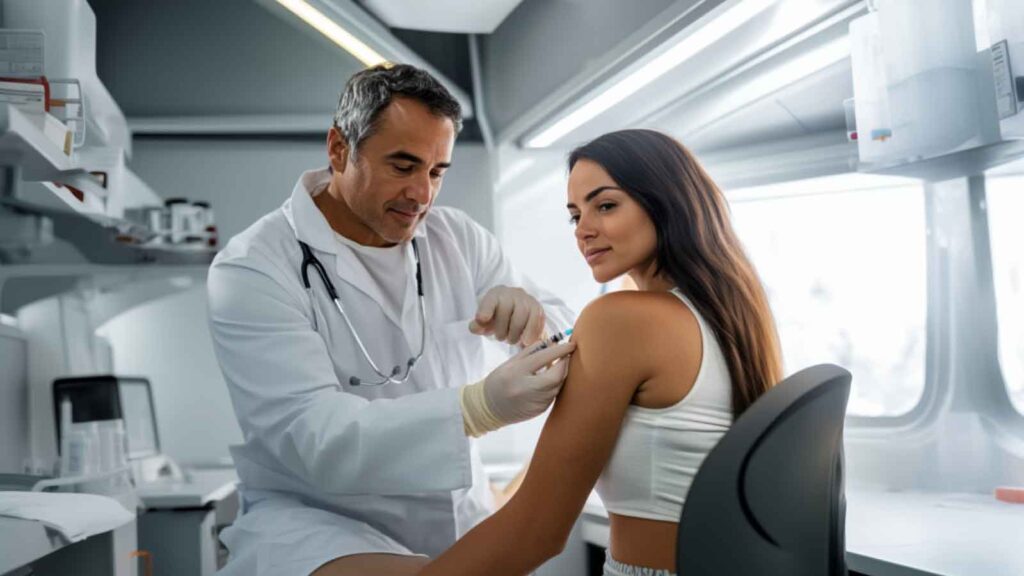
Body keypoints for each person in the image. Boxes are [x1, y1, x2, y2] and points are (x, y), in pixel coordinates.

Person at [206, 63, 575, 576]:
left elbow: (567, 330)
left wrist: (534, 321)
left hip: (457, 515)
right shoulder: (254, 267)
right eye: (403, 167)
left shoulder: (458, 239)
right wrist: (476, 409)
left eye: (437, 171)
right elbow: (312, 435)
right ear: (339, 150)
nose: (422, 194)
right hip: (324, 526)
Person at [416, 129, 784, 576]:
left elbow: (537, 532)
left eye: (605, 205)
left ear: (666, 202)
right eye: (575, 215)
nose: (584, 231)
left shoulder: (621, 318)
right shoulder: (733, 311)